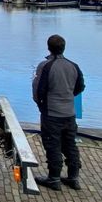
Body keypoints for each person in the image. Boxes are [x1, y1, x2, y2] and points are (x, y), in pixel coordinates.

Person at [31, 34, 85, 191]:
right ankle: (73, 177)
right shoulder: (73, 66)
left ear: (49, 47)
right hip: (69, 112)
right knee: (70, 144)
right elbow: (80, 86)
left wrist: (41, 104)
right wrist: (67, 96)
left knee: (52, 144)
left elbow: (39, 89)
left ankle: (54, 178)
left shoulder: (45, 66)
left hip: (52, 113)